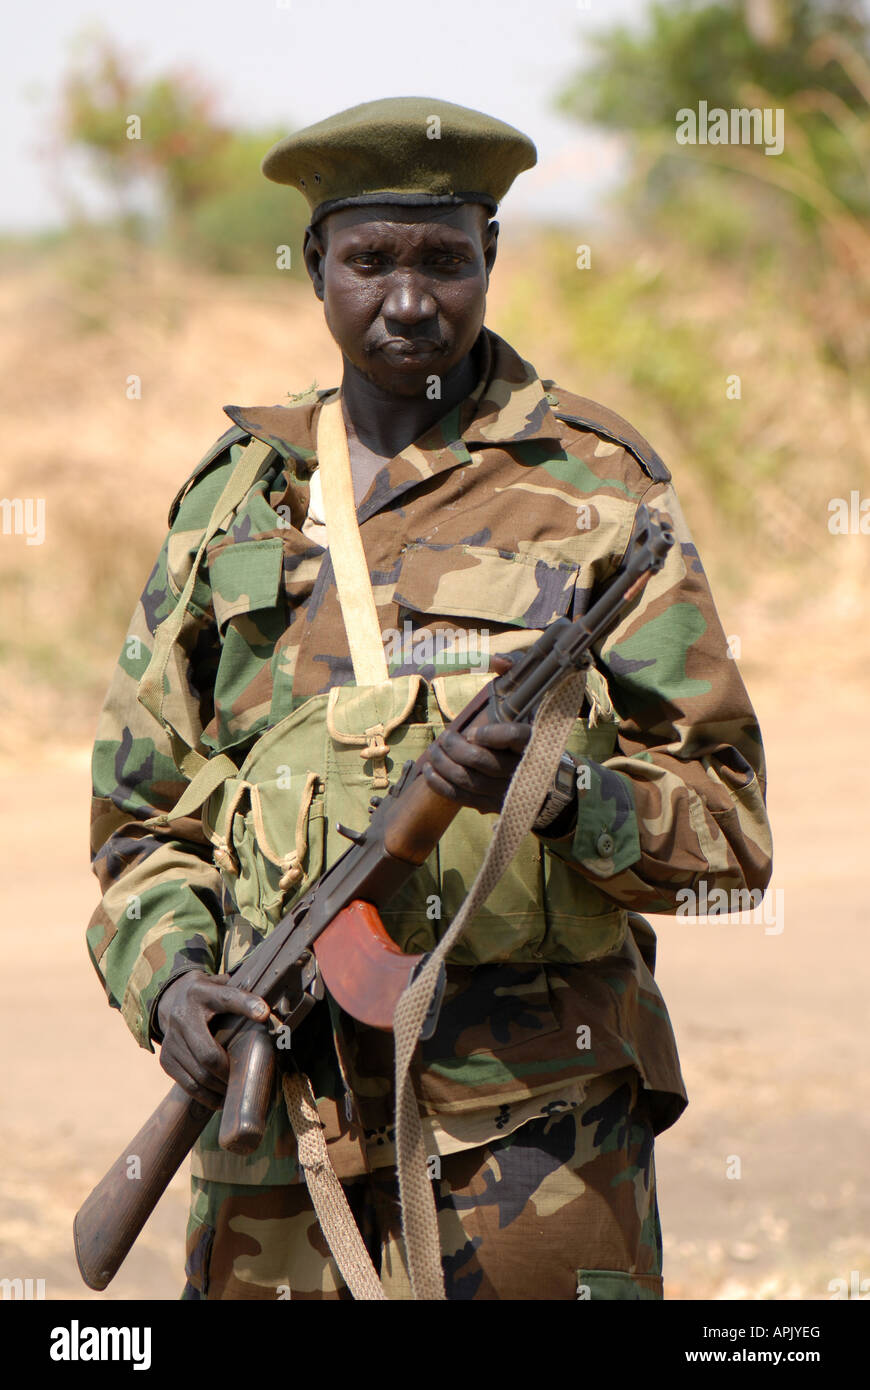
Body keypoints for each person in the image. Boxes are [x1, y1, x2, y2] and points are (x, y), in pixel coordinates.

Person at [85, 97, 772, 1300]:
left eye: (446, 260)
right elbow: (142, 820)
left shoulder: (598, 492)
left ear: (492, 258)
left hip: (534, 1142)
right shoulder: (234, 503)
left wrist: (559, 796)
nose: (410, 301)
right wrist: (177, 978)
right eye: (371, 262)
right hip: (279, 1150)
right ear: (315, 266)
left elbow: (730, 834)